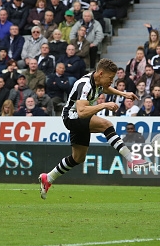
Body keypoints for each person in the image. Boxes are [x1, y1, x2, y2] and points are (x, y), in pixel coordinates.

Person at [38, 59, 149, 199]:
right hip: (72, 117)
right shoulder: (85, 86)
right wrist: (103, 105)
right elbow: (82, 112)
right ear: (101, 73)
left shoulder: (97, 79)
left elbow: (105, 88)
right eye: (110, 78)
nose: (111, 81)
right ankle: (130, 158)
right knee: (106, 125)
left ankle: (48, 178)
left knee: (78, 158)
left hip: (79, 117)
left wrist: (123, 94)